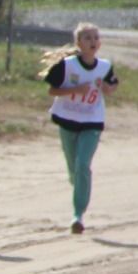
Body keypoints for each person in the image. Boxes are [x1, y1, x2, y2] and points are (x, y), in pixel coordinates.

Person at [41, 22, 118, 235]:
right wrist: (75, 89)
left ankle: (78, 215)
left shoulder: (104, 66)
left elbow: (113, 85)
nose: (92, 41)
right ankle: (78, 184)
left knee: (83, 164)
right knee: (74, 169)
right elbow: (52, 90)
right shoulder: (67, 66)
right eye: (87, 38)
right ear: (78, 43)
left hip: (92, 121)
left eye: (95, 38)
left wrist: (108, 88)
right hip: (67, 120)